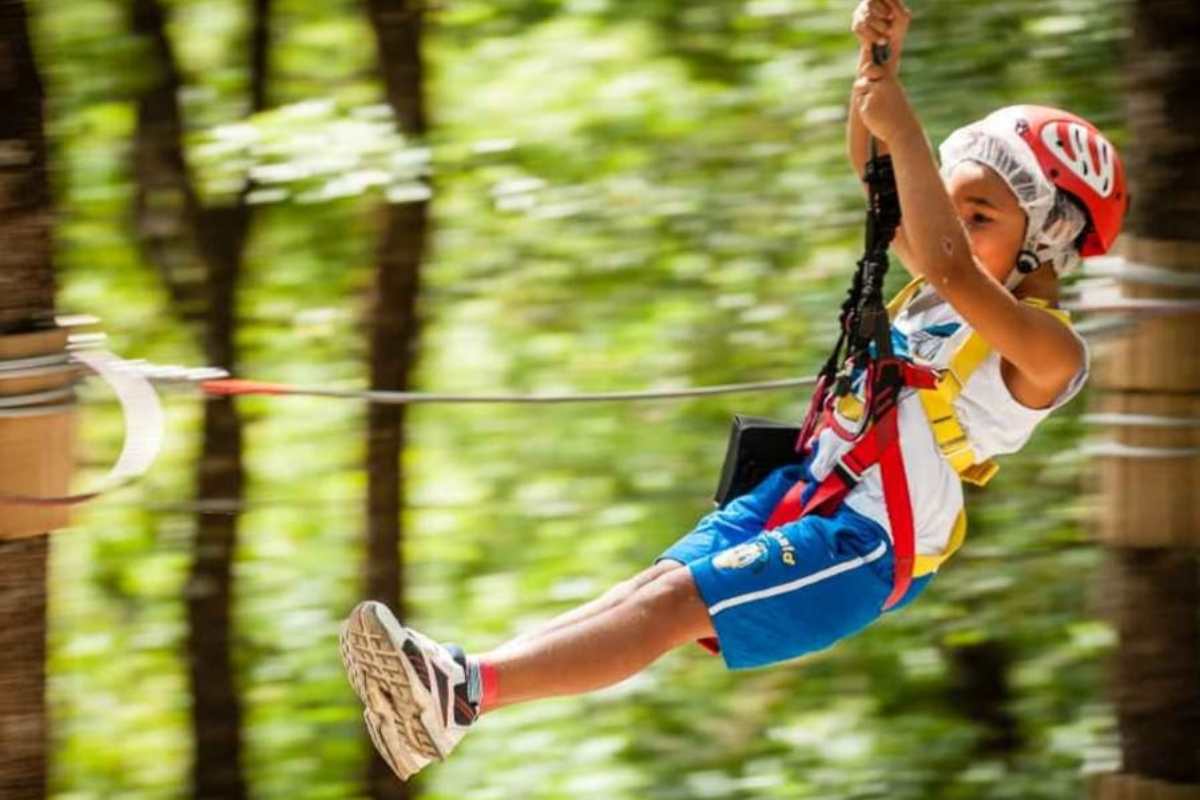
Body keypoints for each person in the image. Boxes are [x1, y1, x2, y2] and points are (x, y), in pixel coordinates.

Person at [338, 0, 1128, 782]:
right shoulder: (937, 293)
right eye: (951, 205)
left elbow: (952, 261)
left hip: (867, 544)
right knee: (649, 586)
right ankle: (455, 686)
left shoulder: (1048, 349)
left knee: (670, 608)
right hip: (812, 489)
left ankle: (466, 694)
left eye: (980, 212)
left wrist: (907, 126)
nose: (950, 227)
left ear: (1050, 237)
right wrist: (878, 62)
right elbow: (876, 174)